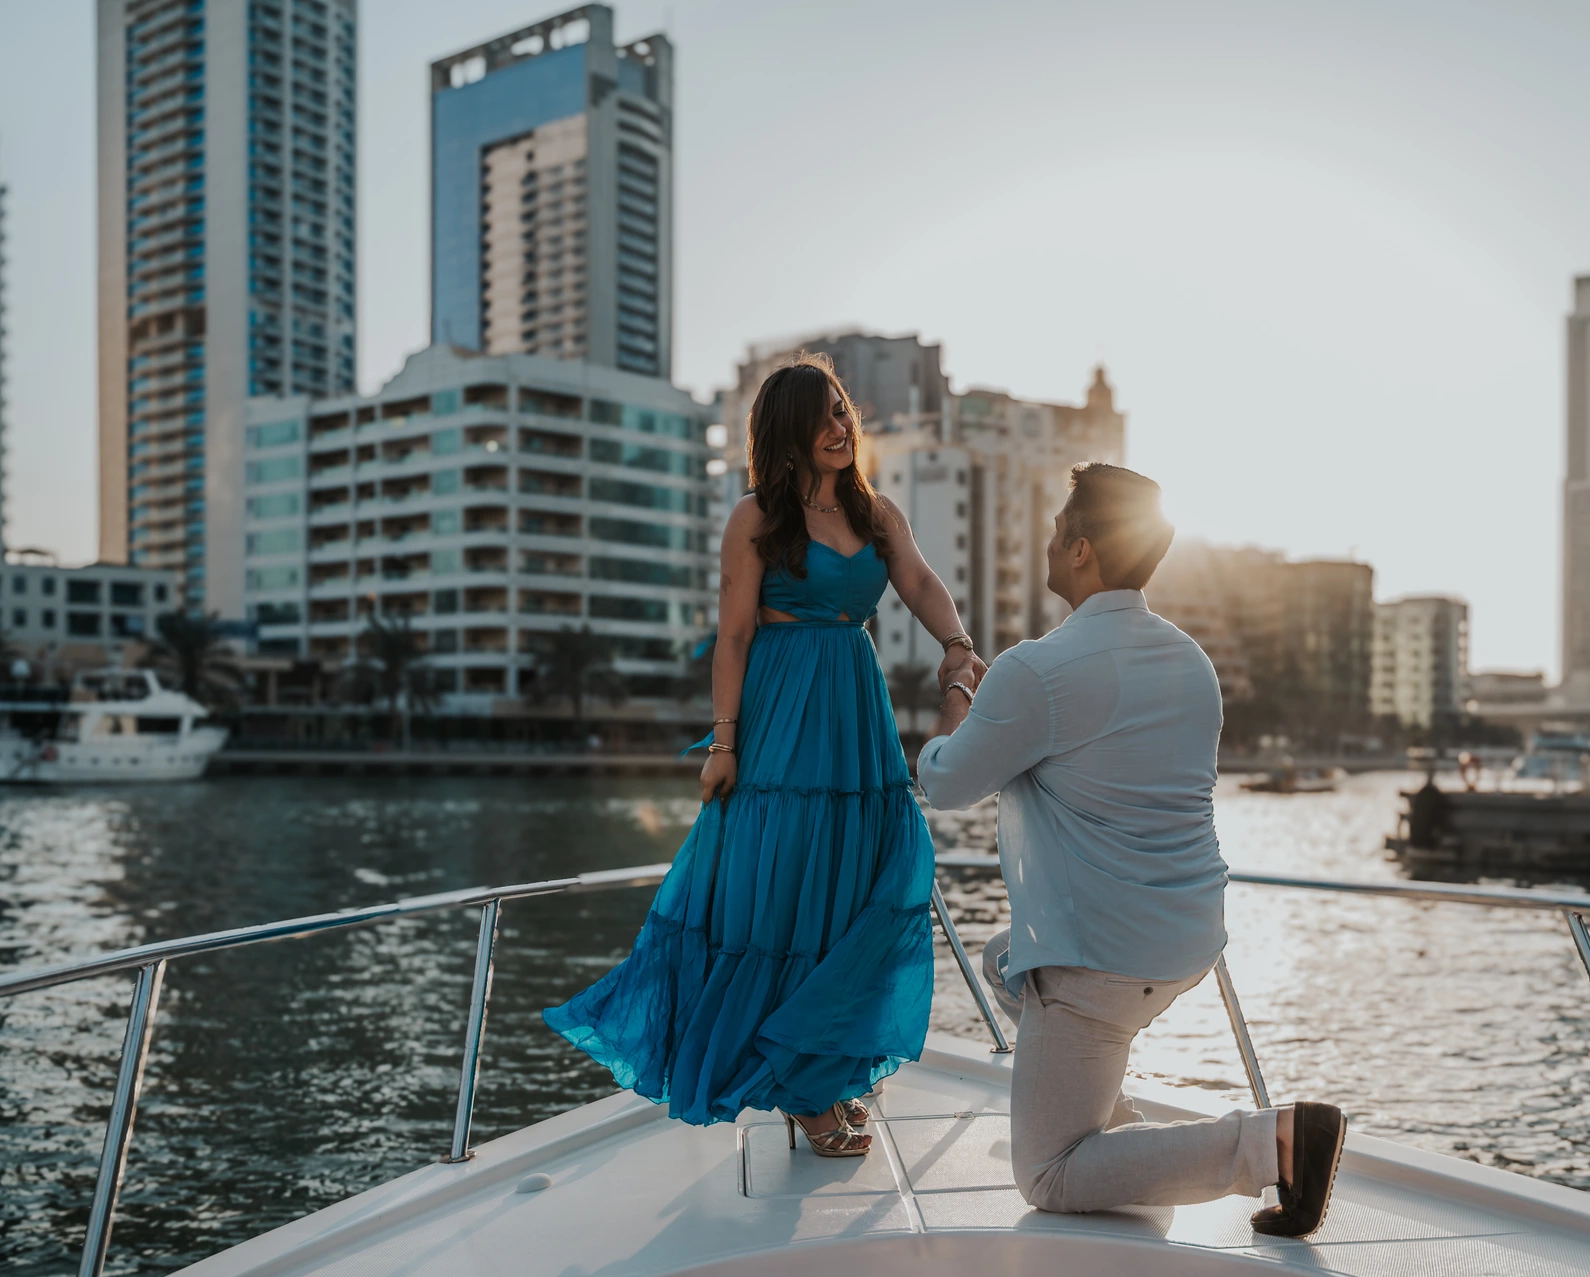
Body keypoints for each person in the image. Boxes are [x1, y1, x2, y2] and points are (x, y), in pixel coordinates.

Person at [544, 354, 984, 1157]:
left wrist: (956, 642)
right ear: (786, 430)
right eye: (822, 416)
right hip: (782, 714)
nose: (840, 426)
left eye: (843, 410)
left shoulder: (876, 513)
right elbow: (735, 635)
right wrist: (723, 742)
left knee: (855, 881)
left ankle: (821, 1065)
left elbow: (921, 583)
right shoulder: (755, 518)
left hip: (855, 711)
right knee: (782, 888)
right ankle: (802, 1089)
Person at [916, 462, 1346, 1236]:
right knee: (1006, 960)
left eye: (1058, 529)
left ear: (1082, 550)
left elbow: (944, 781)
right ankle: (1118, 1132)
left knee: (1047, 1172)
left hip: (1100, 961)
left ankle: (1275, 1142)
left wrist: (959, 691)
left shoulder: (1035, 669)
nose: (1049, 540)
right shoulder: (1191, 660)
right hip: (1187, 936)